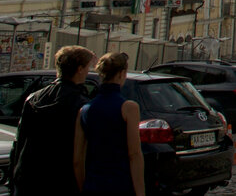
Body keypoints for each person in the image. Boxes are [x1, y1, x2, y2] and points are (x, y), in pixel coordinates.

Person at [10, 45, 95, 196]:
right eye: (88, 67)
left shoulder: (33, 99)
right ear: (80, 69)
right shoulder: (82, 105)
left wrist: (15, 176)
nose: (89, 71)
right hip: (61, 179)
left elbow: (19, 141)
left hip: (29, 176)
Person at [74, 52, 145, 196]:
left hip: (93, 183)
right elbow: (134, 154)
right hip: (120, 183)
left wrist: (83, 186)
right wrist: (140, 191)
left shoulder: (84, 110)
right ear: (121, 74)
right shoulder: (128, 108)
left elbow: (77, 159)